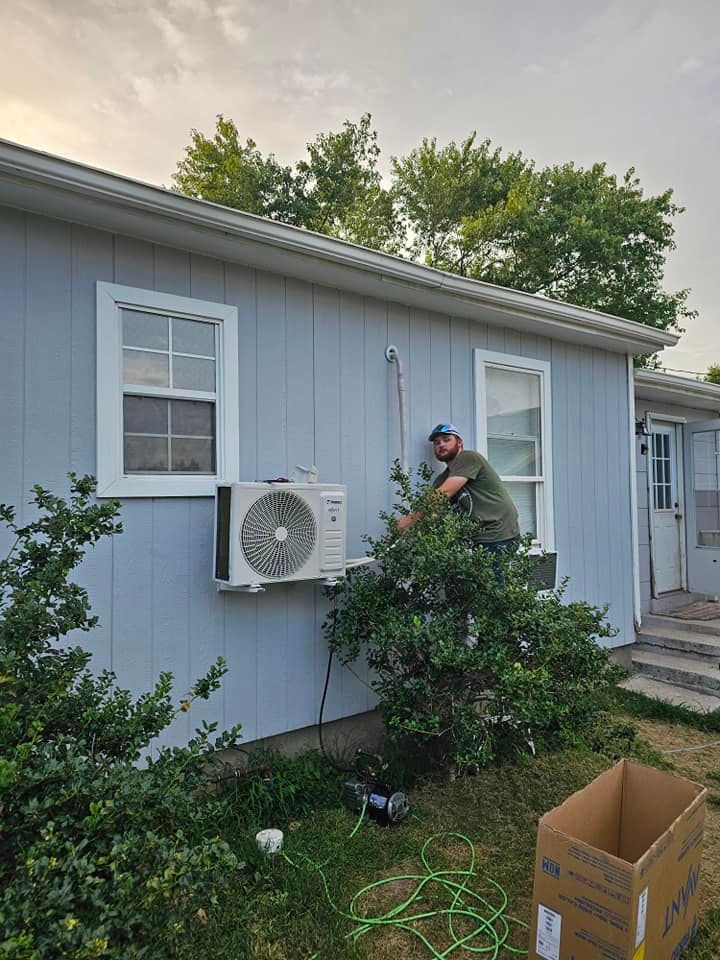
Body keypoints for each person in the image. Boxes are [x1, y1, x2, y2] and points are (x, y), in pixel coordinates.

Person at [396, 423, 520, 554]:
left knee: (491, 574)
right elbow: (434, 512)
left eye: (447, 440)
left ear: (459, 442)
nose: (441, 445)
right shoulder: (442, 480)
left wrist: (407, 522)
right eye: (437, 443)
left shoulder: (469, 458)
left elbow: (442, 495)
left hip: (500, 534)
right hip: (476, 539)